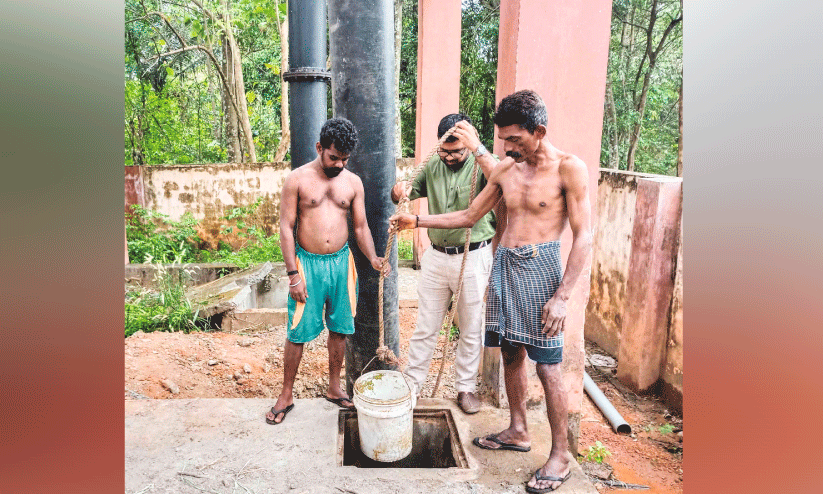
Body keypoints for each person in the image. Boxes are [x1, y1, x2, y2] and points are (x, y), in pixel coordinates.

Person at [389, 90, 592, 493]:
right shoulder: (506, 170)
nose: (509, 147)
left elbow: (585, 235)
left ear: (539, 131)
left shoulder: (569, 168)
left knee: (548, 366)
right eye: (503, 141)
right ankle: (518, 430)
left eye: (515, 139)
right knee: (510, 353)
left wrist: (562, 296)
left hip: (542, 269)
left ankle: (560, 455)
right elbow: (469, 215)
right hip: (504, 266)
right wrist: (418, 221)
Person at [266, 118, 389, 425]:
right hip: (307, 266)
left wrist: (373, 257)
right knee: (298, 331)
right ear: (319, 147)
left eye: (345, 159)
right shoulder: (297, 179)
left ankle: (335, 387)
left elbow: (360, 227)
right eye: (334, 157)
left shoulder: (353, 182)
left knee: (340, 328)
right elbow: (286, 228)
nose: (339, 164)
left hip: (342, 264)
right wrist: (293, 275)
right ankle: (286, 394)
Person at [391, 113, 497, 414]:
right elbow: (404, 193)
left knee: (471, 327)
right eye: (444, 151)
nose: (449, 157)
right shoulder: (432, 165)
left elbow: (503, 178)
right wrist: (399, 191)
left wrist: (477, 149)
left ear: (469, 143)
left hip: (473, 256)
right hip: (436, 256)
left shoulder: (484, 164)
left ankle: (465, 388)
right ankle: (412, 385)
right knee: (426, 325)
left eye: (457, 151)